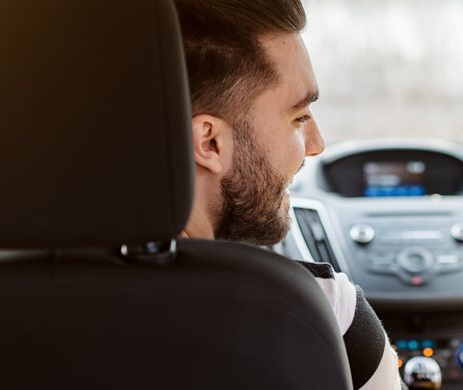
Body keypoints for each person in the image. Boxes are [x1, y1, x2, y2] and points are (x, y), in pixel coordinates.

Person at [171, 1, 404, 389]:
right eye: (298, 117)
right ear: (209, 142)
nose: (316, 144)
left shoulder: (36, 307)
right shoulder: (321, 313)